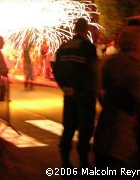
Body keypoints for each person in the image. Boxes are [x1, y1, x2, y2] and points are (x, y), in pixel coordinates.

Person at [94, 26, 140, 169]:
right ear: (136, 44)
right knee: (121, 165)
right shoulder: (133, 66)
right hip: (123, 124)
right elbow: (139, 96)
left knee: (105, 165)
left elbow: (100, 91)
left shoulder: (110, 61)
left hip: (107, 118)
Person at [53, 18, 98, 168]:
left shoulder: (63, 47)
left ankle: (65, 159)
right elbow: (92, 72)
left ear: (74, 29)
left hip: (68, 94)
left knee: (69, 125)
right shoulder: (88, 48)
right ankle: (83, 161)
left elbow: (55, 67)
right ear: (86, 30)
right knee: (85, 128)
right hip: (84, 94)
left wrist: (64, 86)